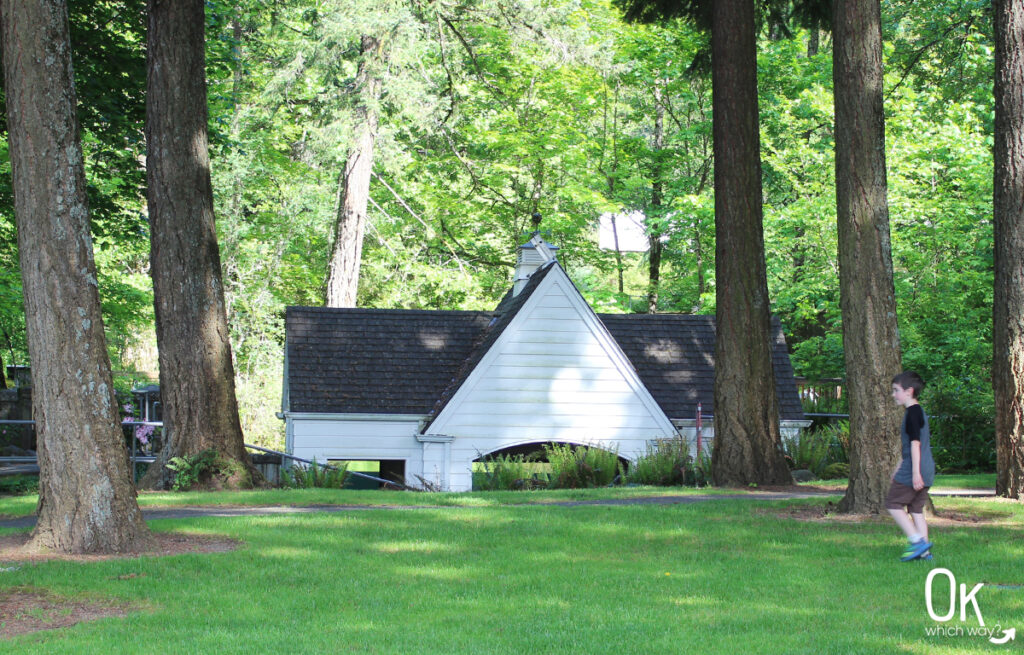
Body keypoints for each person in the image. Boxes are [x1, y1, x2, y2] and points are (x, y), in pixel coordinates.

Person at [886, 371, 936, 561]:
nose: (893, 394)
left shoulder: (912, 413)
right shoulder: (917, 411)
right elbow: (908, 447)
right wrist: (897, 468)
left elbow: (916, 444)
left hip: (916, 469)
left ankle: (917, 541)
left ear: (909, 391)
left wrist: (915, 473)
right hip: (927, 468)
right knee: (916, 509)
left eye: (896, 390)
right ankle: (925, 553)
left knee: (893, 504)